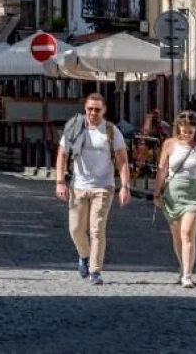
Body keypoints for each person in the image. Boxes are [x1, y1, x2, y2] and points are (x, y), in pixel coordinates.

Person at [55, 92, 131, 286]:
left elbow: (122, 161)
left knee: (97, 230)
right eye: (89, 109)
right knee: (76, 229)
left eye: (97, 109)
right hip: (78, 186)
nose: (93, 113)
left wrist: (125, 187)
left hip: (103, 187)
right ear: (85, 109)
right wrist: (60, 181)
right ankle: (84, 255)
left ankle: (95, 271)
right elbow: (62, 155)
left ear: (104, 110)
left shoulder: (111, 131)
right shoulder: (75, 127)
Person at [153, 109, 196, 288]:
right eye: (184, 129)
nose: (187, 133)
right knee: (177, 236)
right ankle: (182, 267)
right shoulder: (169, 145)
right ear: (178, 128)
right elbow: (162, 170)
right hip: (173, 195)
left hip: (195, 195)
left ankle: (188, 274)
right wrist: (156, 193)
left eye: (191, 130)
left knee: (188, 233)